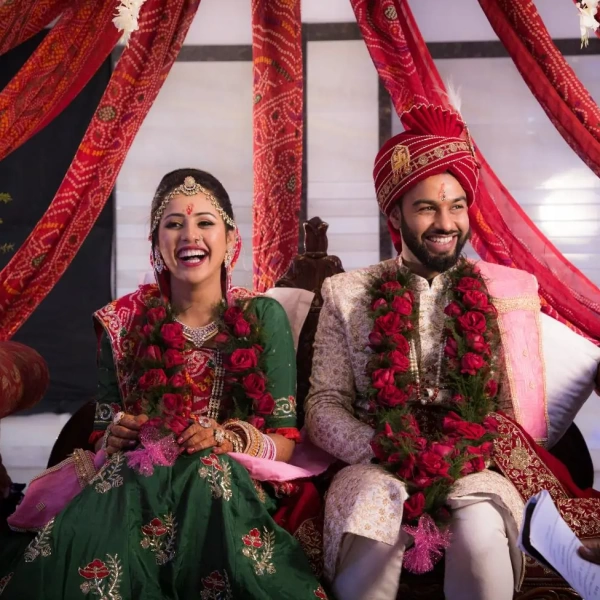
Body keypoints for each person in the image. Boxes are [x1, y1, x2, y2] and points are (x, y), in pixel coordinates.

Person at [304, 104, 600, 600]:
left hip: (473, 466)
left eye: (457, 206)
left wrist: (461, 453)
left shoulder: (504, 294)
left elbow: (514, 410)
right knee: (375, 516)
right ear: (395, 213)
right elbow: (323, 404)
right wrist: (384, 449)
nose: (445, 222)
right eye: (427, 208)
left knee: (480, 525)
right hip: (375, 461)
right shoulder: (347, 292)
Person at [0, 168, 328, 599]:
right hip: (136, 485)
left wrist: (225, 438)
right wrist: (114, 437)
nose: (189, 235)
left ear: (231, 239)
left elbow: (285, 440)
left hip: (232, 486)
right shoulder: (123, 321)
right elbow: (100, 437)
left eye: (205, 222)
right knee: (139, 470)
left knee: (204, 469)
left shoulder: (263, 317)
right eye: (173, 224)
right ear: (156, 243)